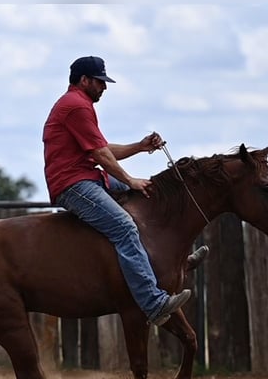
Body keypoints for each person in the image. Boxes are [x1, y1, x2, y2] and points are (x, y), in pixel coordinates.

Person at [43, 55, 191, 326]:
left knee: (144, 195)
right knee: (124, 226)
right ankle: (154, 303)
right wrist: (130, 179)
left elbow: (104, 149)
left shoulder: (79, 104)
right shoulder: (76, 106)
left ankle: (171, 258)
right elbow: (101, 154)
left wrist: (140, 146)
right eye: (100, 82)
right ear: (84, 80)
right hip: (74, 185)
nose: (105, 87)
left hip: (88, 178)